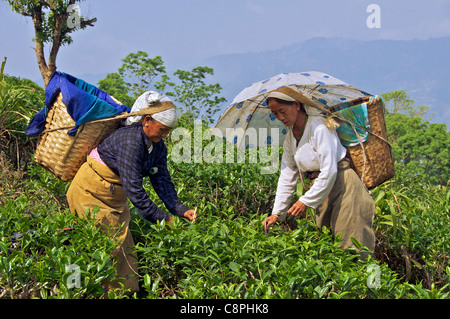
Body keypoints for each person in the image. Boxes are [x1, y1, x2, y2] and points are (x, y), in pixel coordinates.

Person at [66, 91, 197, 295]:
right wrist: (164, 219)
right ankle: (79, 291)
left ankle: (124, 294)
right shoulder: (130, 142)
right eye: (162, 130)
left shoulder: (157, 146)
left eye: (168, 132)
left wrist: (181, 210)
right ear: (147, 121)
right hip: (90, 193)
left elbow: (161, 179)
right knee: (104, 249)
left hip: (114, 198)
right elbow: (136, 192)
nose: (164, 136)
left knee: (126, 253)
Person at [262, 87, 375, 259]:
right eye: (275, 114)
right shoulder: (290, 138)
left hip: (343, 185)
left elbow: (329, 171)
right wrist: (277, 213)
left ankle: (369, 284)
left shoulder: (320, 127)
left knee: (351, 246)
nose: (280, 118)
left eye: (282, 111)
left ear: (296, 105)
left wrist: (305, 201)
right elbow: (287, 175)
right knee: (327, 248)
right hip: (320, 190)